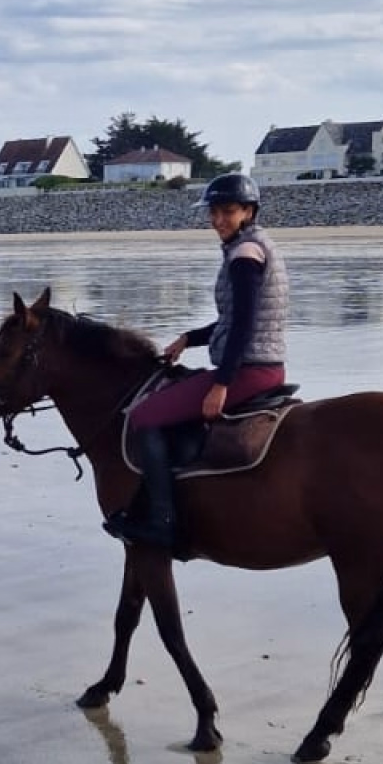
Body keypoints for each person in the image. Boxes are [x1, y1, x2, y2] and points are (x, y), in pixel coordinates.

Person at [104, 171, 289, 556]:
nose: (218, 220)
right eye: (213, 212)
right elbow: (231, 321)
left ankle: (162, 523)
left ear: (249, 212)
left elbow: (243, 325)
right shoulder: (253, 245)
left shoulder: (245, 256)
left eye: (227, 211)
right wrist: (189, 339)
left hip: (248, 370)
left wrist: (221, 384)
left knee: (142, 416)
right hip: (260, 363)